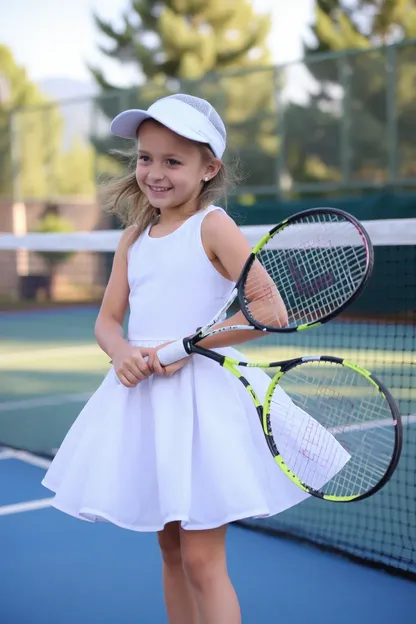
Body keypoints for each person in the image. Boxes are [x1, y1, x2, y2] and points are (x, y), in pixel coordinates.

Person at [41, 94, 344, 624]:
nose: (154, 173)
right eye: (145, 158)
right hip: (146, 403)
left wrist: (189, 345)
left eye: (173, 161)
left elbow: (268, 309)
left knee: (203, 559)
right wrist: (121, 354)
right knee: (171, 551)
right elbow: (108, 322)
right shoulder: (133, 239)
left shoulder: (213, 226)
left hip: (203, 407)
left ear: (209, 169)